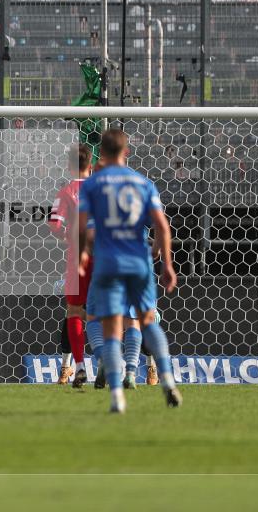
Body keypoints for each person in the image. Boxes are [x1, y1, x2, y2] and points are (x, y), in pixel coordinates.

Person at [78, 129, 181, 413]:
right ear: (127, 152)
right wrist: (166, 263)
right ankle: (168, 381)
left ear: (102, 152)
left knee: (109, 326)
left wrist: (83, 254)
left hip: (109, 261)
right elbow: (162, 227)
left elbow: (84, 228)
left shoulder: (93, 184)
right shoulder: (142, 183)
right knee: (147, 320)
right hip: (139, 260)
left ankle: (116, 396)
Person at [48, 144, 93, 387]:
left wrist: (70, 235)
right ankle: (112, 365)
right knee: (107, 312)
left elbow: (54, 225)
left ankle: (77, 367)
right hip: (107, 257)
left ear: (68, 166)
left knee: (73, 312)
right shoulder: (104, 189)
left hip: (78, 259)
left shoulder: (66, 191)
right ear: (91, 165)